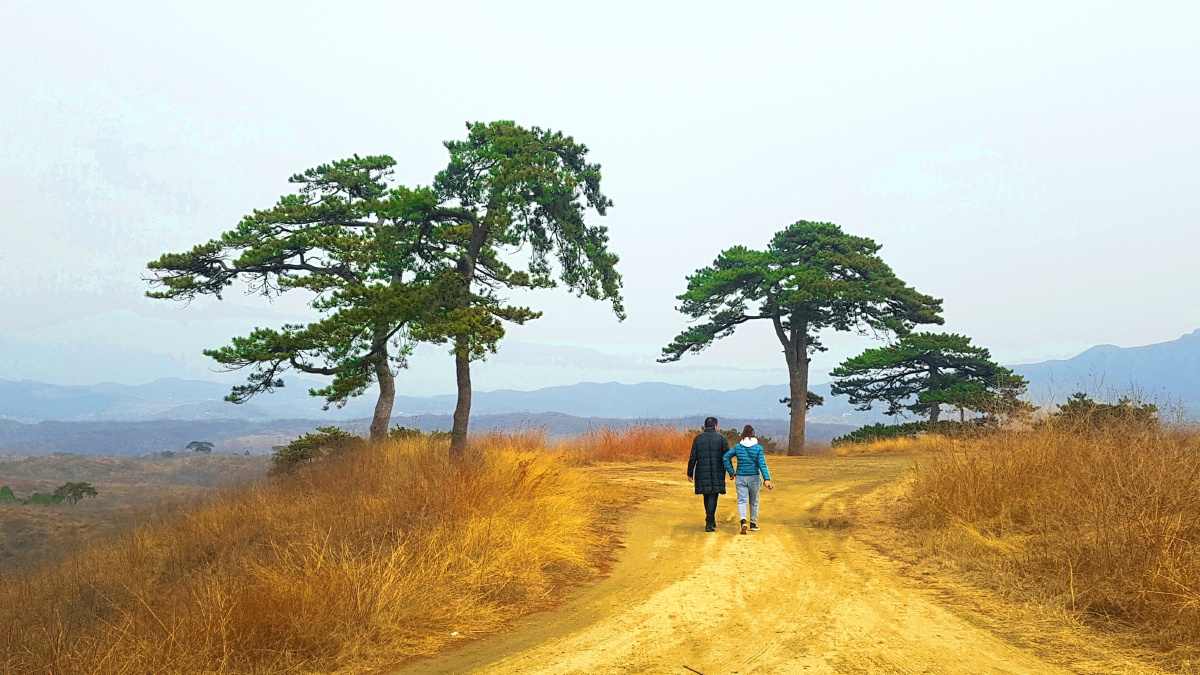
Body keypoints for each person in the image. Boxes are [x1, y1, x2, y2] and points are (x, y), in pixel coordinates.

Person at [723, 424, 772, 534]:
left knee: (741, 501)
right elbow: (762, 464)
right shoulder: (758, 448)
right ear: (754, 435)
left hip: (740, 477)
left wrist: (731, 471)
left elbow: (725, 457)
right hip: (754, 477)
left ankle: (743, 521)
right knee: (754, 501)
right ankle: (753, 523)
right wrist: (766, 479)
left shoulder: (738, 447)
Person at [687, 416, 729, 532]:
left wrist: (690, 473)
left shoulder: (698, 439)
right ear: (716, 426)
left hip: (702, 471)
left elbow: (693, 457)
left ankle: (710, 519)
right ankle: (709, 521)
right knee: (713, 495)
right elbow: (727, 457)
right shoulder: (722, 439)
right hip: (717, 471)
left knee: (707, 495)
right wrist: (731, 471)